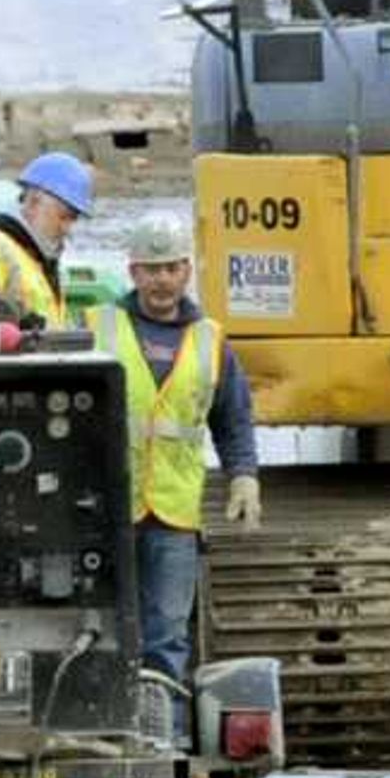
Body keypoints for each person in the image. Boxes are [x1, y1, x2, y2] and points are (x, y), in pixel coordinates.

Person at [86, 215, 261, 681]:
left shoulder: (210, 339)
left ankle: (164, 733)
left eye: (170, 268)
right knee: (102, 628)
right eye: (150, 268)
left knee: (167, 633)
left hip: (175, 513)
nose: (161, 280)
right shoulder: (99, 329)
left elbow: (233, 417)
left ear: (186, 270)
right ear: (133, 272)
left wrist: (244, 475)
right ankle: (108, 723)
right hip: (110, 509)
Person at [0, 152, 93, 327]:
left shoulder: (39, 260)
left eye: (73, 220)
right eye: (63, 217)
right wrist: (21, 319)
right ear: (33, 202)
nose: (67, 228)